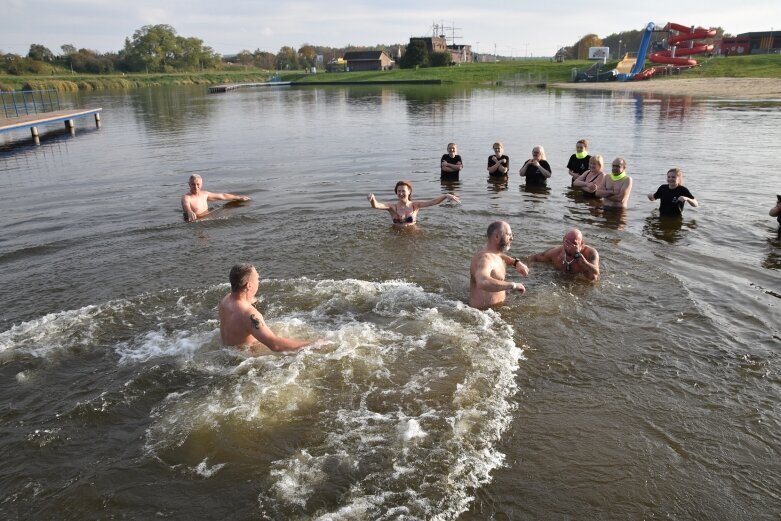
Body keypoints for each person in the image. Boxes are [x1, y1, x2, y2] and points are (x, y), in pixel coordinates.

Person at [218, 264, 315, 353]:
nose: (259, 281)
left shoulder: (225, 301)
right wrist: (313, 344)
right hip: (246, 360)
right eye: (257, 278)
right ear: (249, 285)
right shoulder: (249, 315)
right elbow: (275, 345)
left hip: (228, 352)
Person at [469, 221, 529, 309]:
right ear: (497, 237)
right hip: (483, 314)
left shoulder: (494, 254)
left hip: (495, 310)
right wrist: (513, 286)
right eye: (508, 234)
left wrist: (516, 262)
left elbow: (500, 256)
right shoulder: (485, 259)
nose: (512, 238)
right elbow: (482, 282)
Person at [367, 180, 460, 225]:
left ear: (409, 192)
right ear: (396, 192)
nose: (401, 193)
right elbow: (377, 206)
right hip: (396, 236)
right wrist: (372, 199)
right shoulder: (392, 207)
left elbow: (433, 202)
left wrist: (446, 195)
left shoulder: (415, 205)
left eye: (403, 191)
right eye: (398, 191)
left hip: (413, 236)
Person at [529, 228, 600, 281]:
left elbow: (595, 275)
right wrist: (531, 272)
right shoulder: (556, 253)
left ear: (582, 244)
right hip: (557, 281)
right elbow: (534, 258)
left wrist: (578, 256)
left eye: (574, 244)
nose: (569, 247)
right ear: (563, 240)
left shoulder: (590, 253)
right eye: (567, 242)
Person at [181, 174, 250, 222]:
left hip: (207, 218)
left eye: (198, 184)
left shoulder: (205, 194)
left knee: (227, 210)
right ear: (189, 184)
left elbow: (222, 196)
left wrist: (238, 197)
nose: (196, 187)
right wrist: (189, 211)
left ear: (201, 184)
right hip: (194, 221)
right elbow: (185, 204)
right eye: (193, 184)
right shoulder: (186, 197)